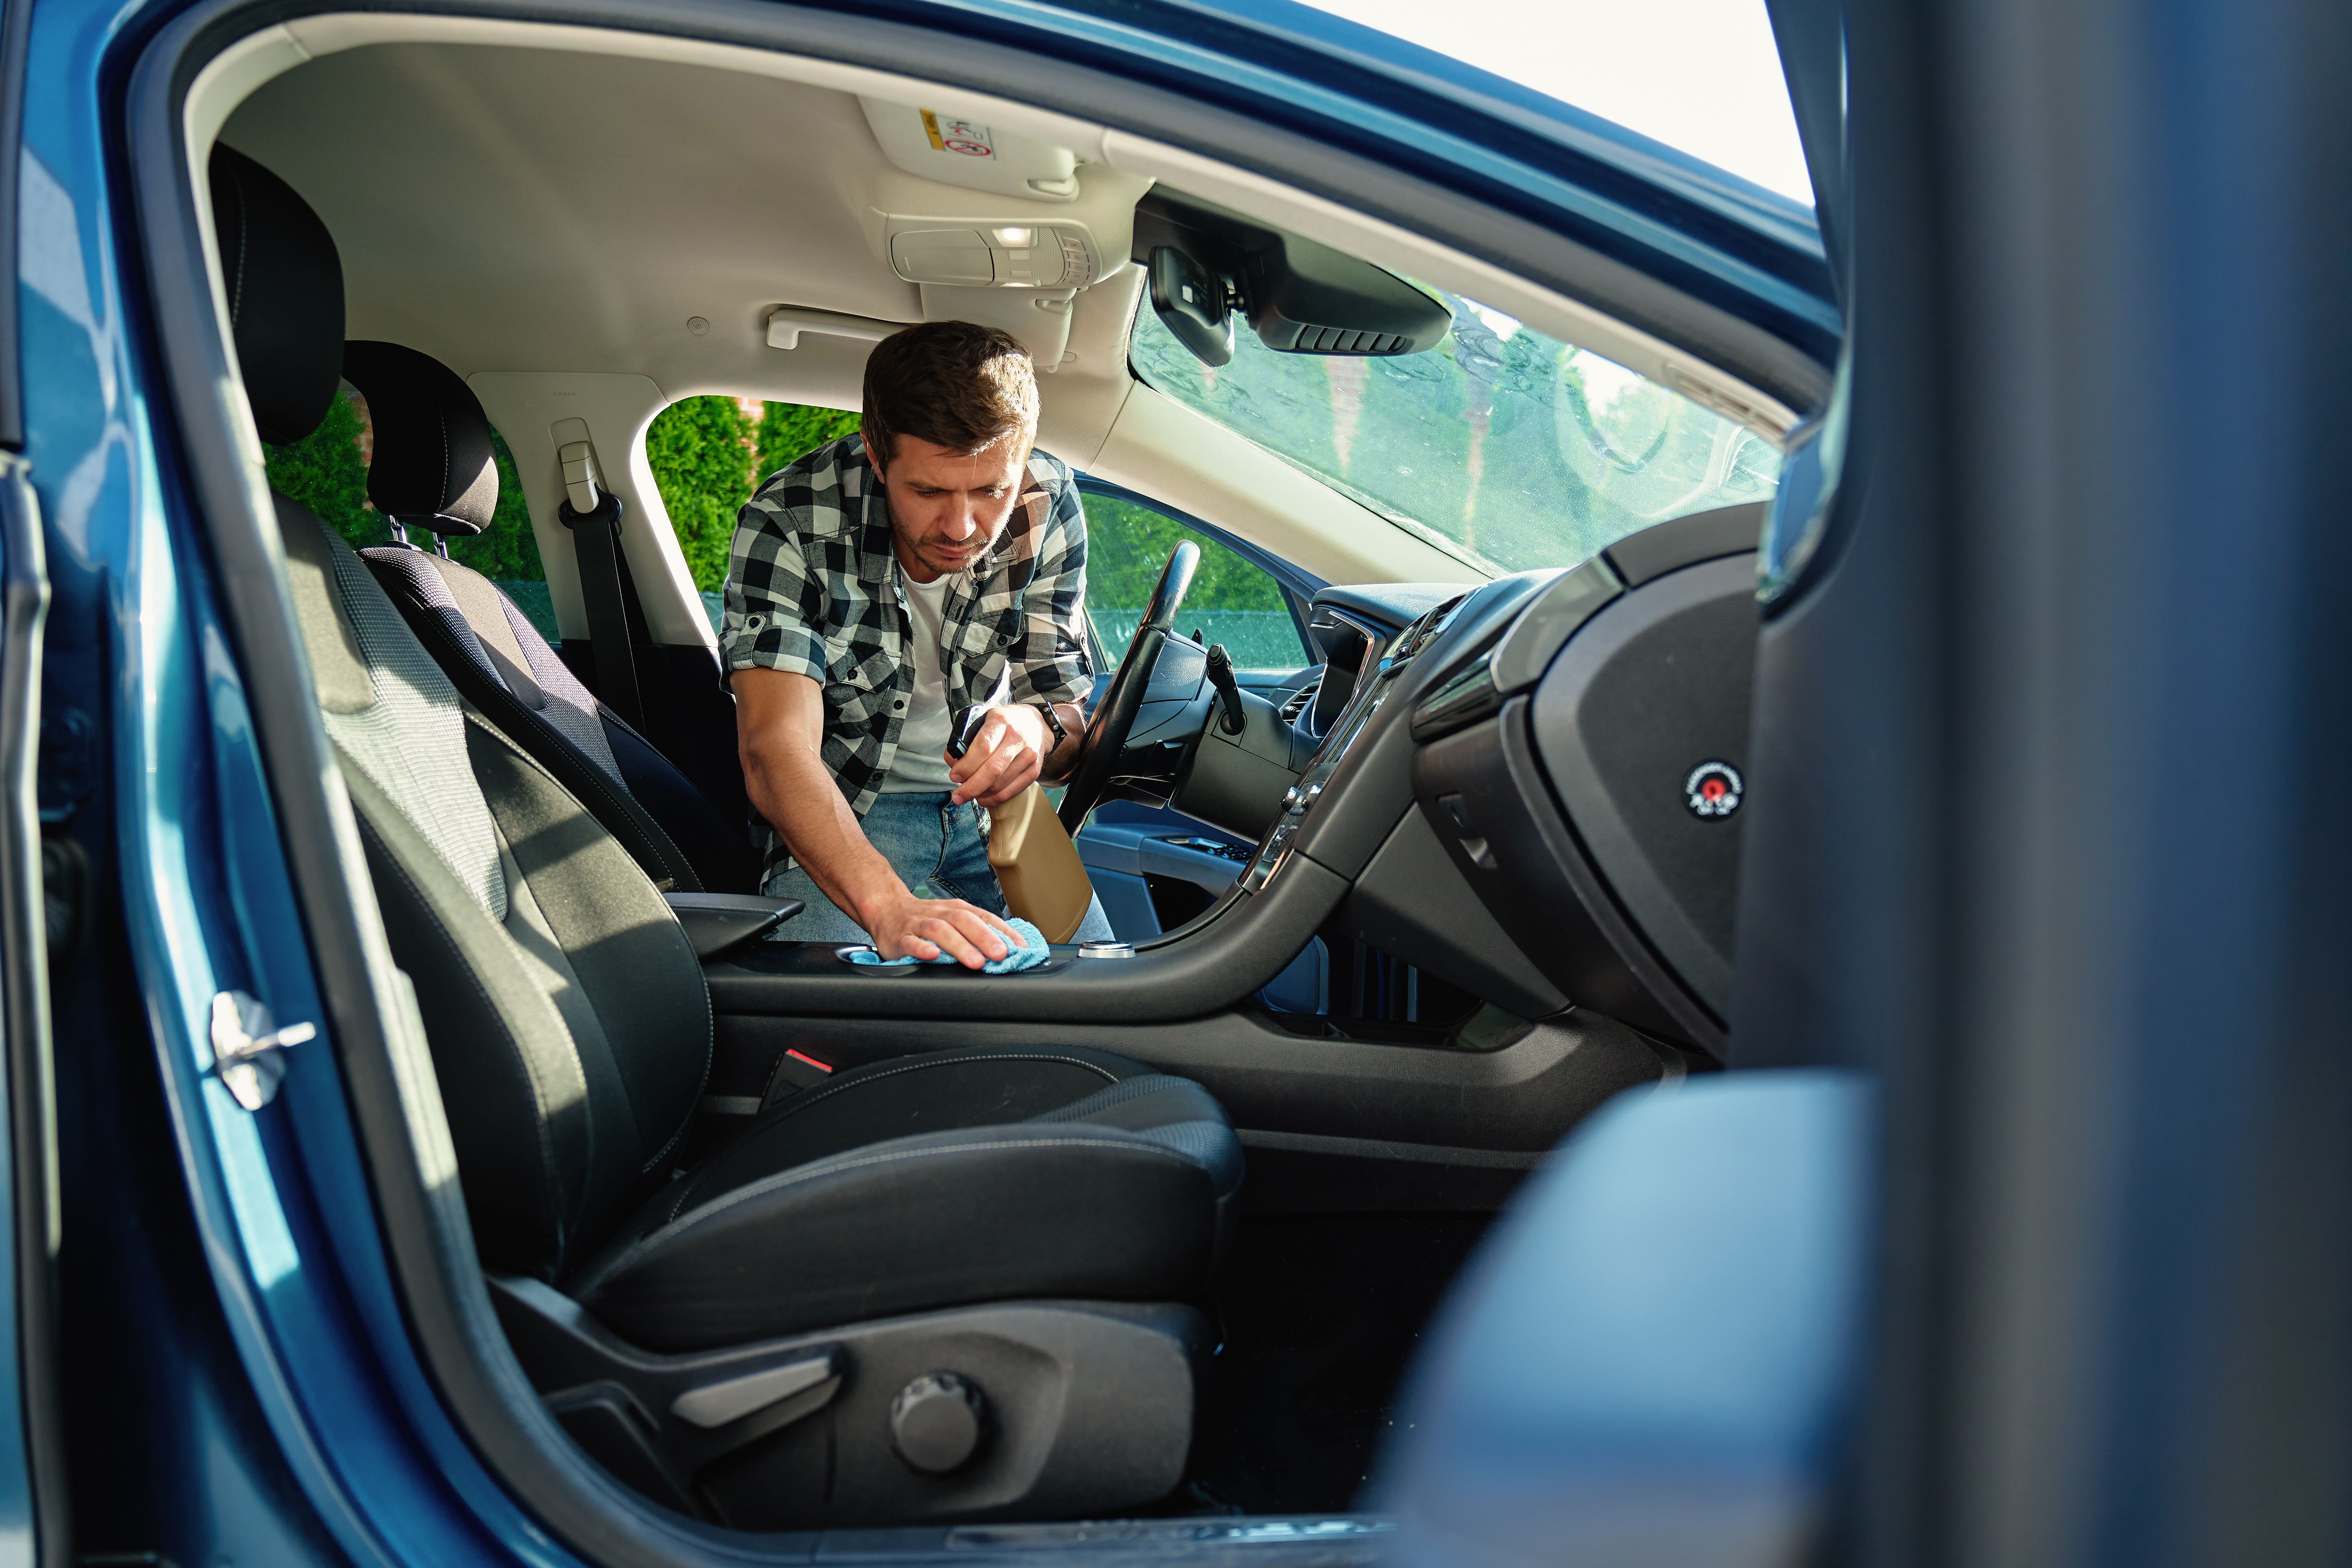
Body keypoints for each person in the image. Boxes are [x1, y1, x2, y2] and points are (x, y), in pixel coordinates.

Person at [723, 321, 1115, 966]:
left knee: (1114, 998)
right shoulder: (789, 521)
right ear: (877, 458)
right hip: (851, 815)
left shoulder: (1047, 499)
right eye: (929, 491)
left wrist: (1033, 730)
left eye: (992, 490)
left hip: (1004, 820)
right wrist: (887, 906)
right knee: (834, 1020)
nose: (963, 527)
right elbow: (774, 751)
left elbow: (1065, 714)